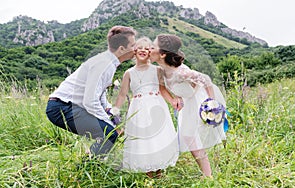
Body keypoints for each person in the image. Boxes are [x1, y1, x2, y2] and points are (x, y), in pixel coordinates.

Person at [46, 25, 137, 156]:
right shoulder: (103, 64)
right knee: (109, 134)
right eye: (133, 45)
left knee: (107, 133)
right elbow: (90, 101)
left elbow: (100, 95)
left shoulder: (109, 63)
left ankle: (90, 160)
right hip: (62, 107)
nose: (136, 48)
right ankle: (86, 168)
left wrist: (111, 113)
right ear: (122, 49)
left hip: (69, 106)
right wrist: (109, 123)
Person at [149, 34, 226, 178]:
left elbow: (206, 80)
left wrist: (211, 103)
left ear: (163, 54)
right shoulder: (162, 70)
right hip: (186, 103)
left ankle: (208, 176)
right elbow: (168, 87)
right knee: (189, 138)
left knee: (191, 137)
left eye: (153, 47)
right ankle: (207, 174)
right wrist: (175, 98)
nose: (149, 49)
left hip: (197, 101)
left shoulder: (181, 72)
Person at [113, 37, 180, 178]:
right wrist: (115, 112)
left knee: (157, 137)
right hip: (138, 109)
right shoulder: (128, 73)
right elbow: (122, 95)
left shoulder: (157, 70)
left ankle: (159, 170)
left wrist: (173, 101)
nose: (143, 50)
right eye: (140, 47)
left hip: (156, 106)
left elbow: (162, 90)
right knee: (142, 139)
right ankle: (148, 173)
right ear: (134, 51)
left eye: (147, 48)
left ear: (150, 52)